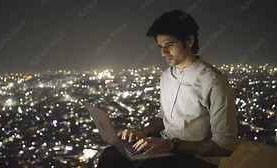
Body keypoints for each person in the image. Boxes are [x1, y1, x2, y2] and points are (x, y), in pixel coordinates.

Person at [97, 9, 238, 168]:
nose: (164, 52)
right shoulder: (167, 75)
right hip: (164, 150)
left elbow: (226, 145)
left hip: (195, 160)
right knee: (111, 155)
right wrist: (144, 132)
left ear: (189, 41)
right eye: (160, 46)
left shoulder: (214, 81)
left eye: (169, 45)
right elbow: (164, 116)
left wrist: (172, 145)